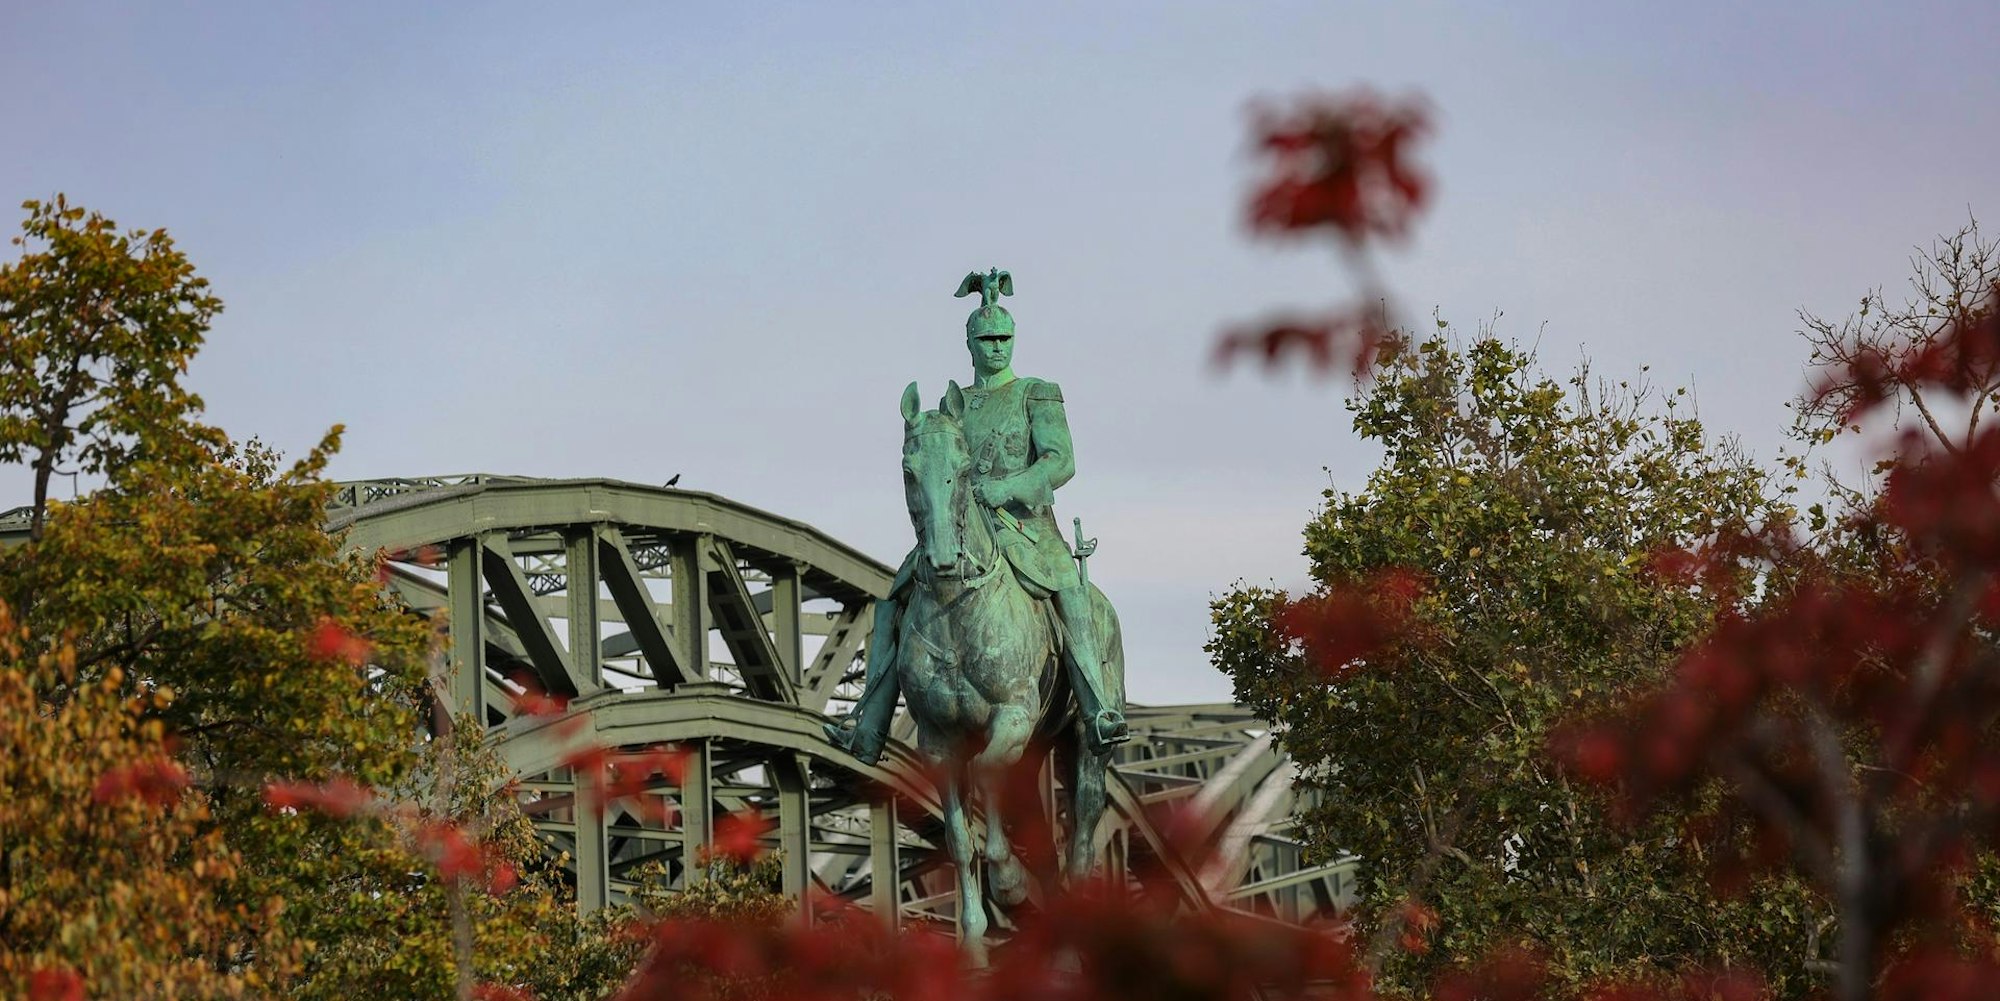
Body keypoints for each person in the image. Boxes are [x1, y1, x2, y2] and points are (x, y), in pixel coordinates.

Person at [825, 269, 1129, 763]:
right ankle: (870, 727)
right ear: (969, 343)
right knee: (893, 601)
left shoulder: (1037, 392)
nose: (996, 346)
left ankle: (1096, 710)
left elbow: (1061, 461)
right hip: (961, 531)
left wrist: (1005, 487)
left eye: (1004, 338)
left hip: (1027, 530)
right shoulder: (954, 407)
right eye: (986, 338)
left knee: (1073, 593)